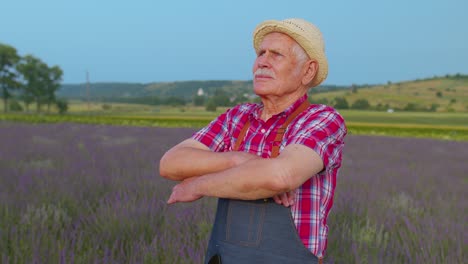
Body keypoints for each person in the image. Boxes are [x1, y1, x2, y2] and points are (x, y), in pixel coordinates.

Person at [160, 18, 347, 264]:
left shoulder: (322, 119)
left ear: (308, 70)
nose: (262, 62)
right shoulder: (237, 117)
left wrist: (197, 184)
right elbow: (170, 163)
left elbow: (280, 177)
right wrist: (238, 159)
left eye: (276, 54)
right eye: (260, 53)